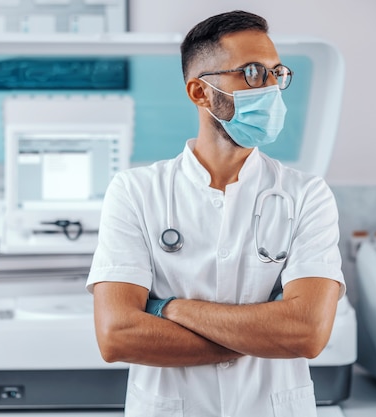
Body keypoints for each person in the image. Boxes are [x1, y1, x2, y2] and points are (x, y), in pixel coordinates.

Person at [86, 9, 345, 417]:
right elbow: (117, 334)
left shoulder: (306, 195)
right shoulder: (135, 192)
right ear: (200, 92)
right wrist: (261, 333)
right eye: (253, 73)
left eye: (277, 74)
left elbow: (307, 333)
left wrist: (168, 308)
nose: (272, 88)